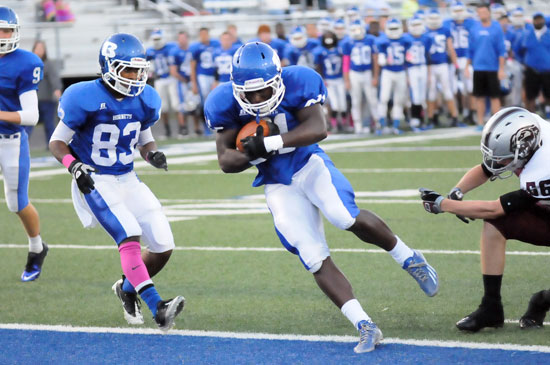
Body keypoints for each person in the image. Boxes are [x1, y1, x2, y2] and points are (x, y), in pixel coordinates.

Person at [204, 42, 439, 353]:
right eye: (251, 94)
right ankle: (364, 324)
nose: (258, 99)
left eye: (263, 91)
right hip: (277, 181)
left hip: (309, 163)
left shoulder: (299, 80)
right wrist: (250, 150)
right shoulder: (222, 101)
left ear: (277, 79)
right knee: (311, 253)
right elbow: (225, 161)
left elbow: (318, 128)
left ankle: (408, 257)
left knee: (343, 216)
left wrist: (271, 143)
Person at [49, 33, 184, 331]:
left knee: (163, 244)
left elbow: (144, 140)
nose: (135, 77)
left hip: (127, 177)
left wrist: (152, 155)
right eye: (128, 70)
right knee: (129, 236)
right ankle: (158, 307)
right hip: (94, 178)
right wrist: (75, 167)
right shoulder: (82, 96)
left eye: (139, 70)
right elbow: (57, 143)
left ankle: (126, 288)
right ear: (109, 67)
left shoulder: (146, 98)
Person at [419, 106, 550, 332]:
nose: (499, 163)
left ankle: (542, 300)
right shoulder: (533, 131)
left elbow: (494, 208)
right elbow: (487, 168)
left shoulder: (542, 169)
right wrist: (456, 193)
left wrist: (442, 204)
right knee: (495, 227)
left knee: (495, 217)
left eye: (504, 158)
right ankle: (491, 307)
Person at [0, 6, 49, 282]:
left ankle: (36, 247)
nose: (2, 35)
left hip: (11, 140)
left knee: (16, 203)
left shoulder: (25, 62)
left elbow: (31, 116)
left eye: (6, 29)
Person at [465, 4, 506, 128]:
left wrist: (501, 69)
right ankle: (480, 122)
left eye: (484, 12)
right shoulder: (474, 28)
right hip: (478, 68)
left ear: (489, 13)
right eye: (480, 12)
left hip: (492, 68)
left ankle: (497, 123)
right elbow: (470, 50)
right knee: (479, 97)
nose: (482, 14)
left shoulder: (496, 28)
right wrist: (467, 67)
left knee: (495, 96)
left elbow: (501, 50)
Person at [375, 18, 412, 134]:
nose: (394, 31)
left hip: (401, 71)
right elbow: (380, 60)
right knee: (384, 98)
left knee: (398, 100)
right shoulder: (382, 41)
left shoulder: (406, 40)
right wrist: (383, 59)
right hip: (388, 72)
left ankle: (395, 125)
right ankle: (382, 125)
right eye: (392, 28)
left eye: (396, 28)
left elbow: (409, 58)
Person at [342, 19, 379, 134]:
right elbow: (346, 62)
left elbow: (375, 59)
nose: (356, 32)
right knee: (356, 100)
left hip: (367, 72)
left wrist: (375, 76)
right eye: (353, 29)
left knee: (372, 99)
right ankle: (358, 125)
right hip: (354, 74)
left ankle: (377, 123)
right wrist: (347, 79)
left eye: (358, 29)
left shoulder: (370, 40)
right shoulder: (347, 42)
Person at [26, 40, 62, 144]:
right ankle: (24, 144)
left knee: (49, 124)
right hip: (32, 100)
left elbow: (54, 79)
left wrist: (57, 89)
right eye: (37, 48)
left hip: (47, 99)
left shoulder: (48, 64)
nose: (39, 51)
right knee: (28, 124)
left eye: (42, 48)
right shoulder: (29, 63)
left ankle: (52, 145)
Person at [146, 29, 178, 139]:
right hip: (159, 79)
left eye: (158, 39)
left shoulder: (171, 48)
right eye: (154, 39)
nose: (156, 41)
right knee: (163, 106)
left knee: (176, 104)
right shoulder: (150, 51)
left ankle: (182, 128)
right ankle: (167, 130)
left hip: (171, 77)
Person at [517, 12, 550, 113]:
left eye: (540, 19)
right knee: (530, 94)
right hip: (531, 68)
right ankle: (531, 114)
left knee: (548, 92)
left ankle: (547, 112)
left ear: (544, 20)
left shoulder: (548, 34)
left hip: (547, 69)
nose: (538, 21)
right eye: (536, 19)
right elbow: (518, 50)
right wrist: (523, 62)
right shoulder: (527, 34)